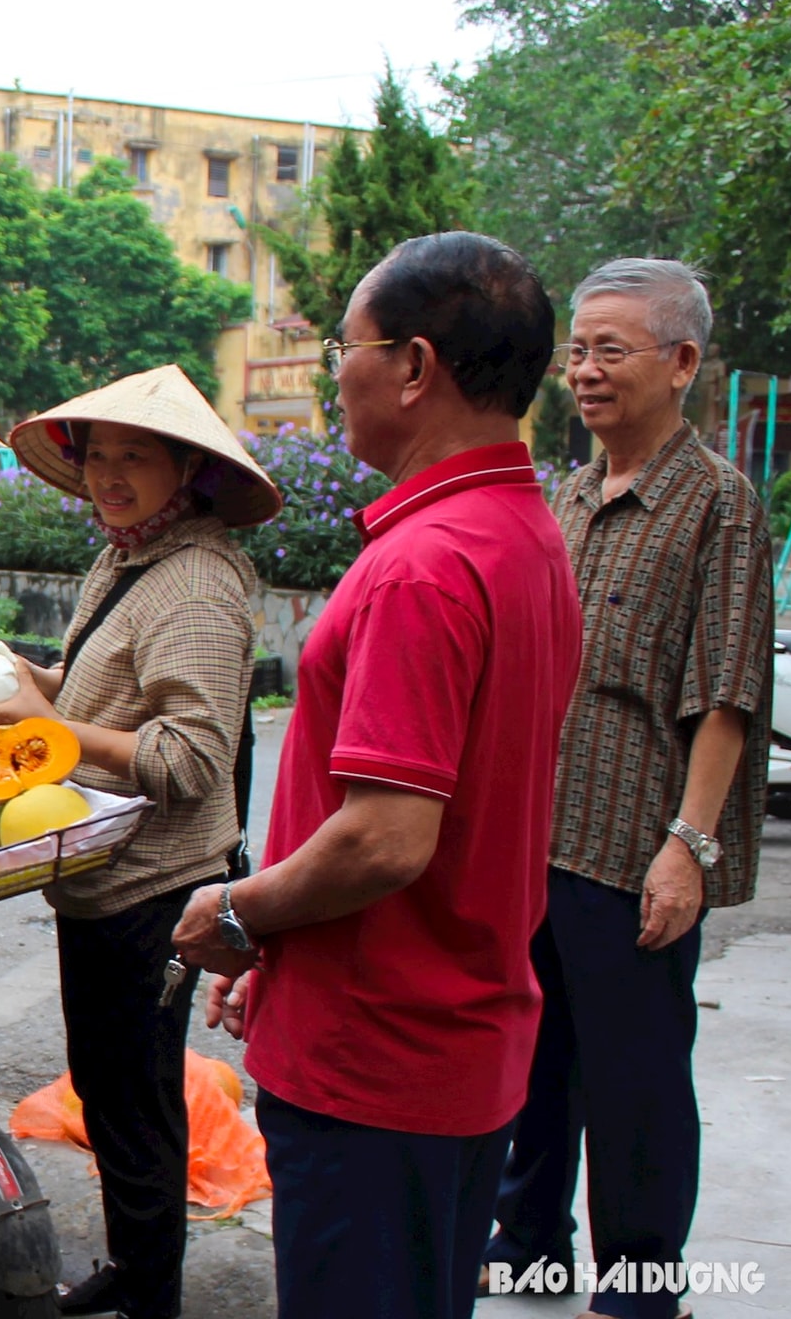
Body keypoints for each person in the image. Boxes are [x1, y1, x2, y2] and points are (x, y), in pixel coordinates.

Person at [172, 231, 584, 1319]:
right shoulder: (524, 535)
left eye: (342, 349)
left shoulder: (423, 564)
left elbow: (388, 839)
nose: (333, 377)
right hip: (455, 1042)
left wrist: (237, 908)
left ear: (413, 365)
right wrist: (290, 951)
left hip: (379, 1061)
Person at [0, 366, 282, 1319]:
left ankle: (154, 1299)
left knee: (139, 1109)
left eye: (135, 456)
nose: (110, 475)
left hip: (160, 889)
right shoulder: (128, 557)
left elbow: (188, 756)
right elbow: (111, 690)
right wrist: (37, 679)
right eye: (97, 455)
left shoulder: (195, 582)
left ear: (186, 467)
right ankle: (135, 1268)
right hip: (102, 878)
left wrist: (46, 731)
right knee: (107, 1092)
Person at [480, 260, 771, 1318]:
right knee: (538, 1053)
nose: (585, 373)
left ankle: (643, 1284)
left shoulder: (720, 505)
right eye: (578, 351)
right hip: (539, 828)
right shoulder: (567, 489)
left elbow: (727, 689)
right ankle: (531, 1242)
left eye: (612, 350)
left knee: (637, 1077)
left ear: (682, 362)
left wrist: (687, 844)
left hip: (634, 839)